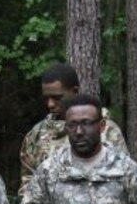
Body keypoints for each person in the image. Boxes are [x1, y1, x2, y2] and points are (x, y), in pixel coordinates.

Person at [19, 62, 128, 193]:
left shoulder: (107, 131)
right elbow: (28, 187)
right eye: (46, 98)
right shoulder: (36, 136)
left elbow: (125, 179)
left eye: (57, 98)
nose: (50, 104)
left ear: (75, 92)